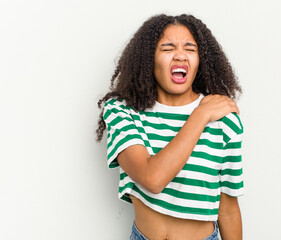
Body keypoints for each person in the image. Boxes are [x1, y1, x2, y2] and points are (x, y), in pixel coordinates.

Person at [96, 14, 244, 240]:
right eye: (167, 48)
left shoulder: (224, 121)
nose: (180, 55)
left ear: (200, 60)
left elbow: (228, 208)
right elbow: (152, 178)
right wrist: (201, 114)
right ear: (149, 59)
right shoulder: (121, 111)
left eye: (190, 48)